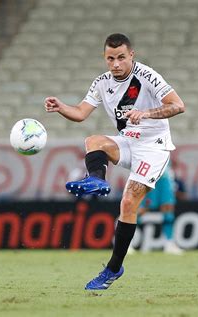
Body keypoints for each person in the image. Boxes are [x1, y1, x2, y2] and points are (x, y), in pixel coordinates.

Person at [44, 33, 185, 290]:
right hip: (129, 141)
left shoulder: (148, 76)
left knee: (128, 203)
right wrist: (61, 106)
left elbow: (178, 105)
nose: (116, 63)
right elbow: (80, 113)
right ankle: (97, 180)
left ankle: (113, 268)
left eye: (121, 57)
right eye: (111, 58)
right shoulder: (101, 83)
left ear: (131, 55)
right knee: (93, 141)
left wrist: (147, 113)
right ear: (105, 58)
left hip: (154, 147)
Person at [138, 162, 184, 255]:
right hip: (150, 175)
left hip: (165, 177)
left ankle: (169, 243)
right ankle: (127, 243)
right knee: (142, 209)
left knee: (168, 208)